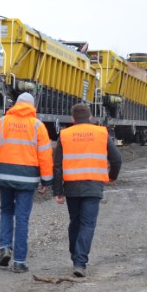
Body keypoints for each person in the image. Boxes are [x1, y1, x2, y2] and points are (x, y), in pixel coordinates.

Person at [0, 92, 53, 273]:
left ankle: (5, 247)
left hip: (4, 175)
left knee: (6, 211)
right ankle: (19, 262)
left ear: (16, 104)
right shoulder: (38, 126)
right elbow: (45, 156)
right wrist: (46, 180)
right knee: (22, 218)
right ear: (32, 107)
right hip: (27, 178)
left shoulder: (2, 122)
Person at [53, 103, 122, 278]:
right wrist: (112, 176)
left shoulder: (65, 134)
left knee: (75, 222)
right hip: (93, 186)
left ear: (73, 118)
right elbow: (116, 159)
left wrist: (58, 191)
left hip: (72, 186)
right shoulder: (101, 133)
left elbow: (57, 166)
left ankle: (74, 256)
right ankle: (80, 262)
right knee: (87, 224)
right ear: (90, 117)